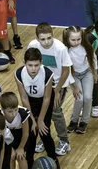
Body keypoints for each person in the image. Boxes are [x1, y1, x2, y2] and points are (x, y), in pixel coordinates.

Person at [27, 23, 73, 156]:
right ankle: (43, 137)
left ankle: (64, 141)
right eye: (43, 39)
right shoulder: (33, 46)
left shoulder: (60, 48)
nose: (46, 42)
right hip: (42, 84)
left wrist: (57, 90)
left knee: (55, 111)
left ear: (53, 36)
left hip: (59, 84)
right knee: (42, 112)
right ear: (37, 39)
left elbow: (66, 71)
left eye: (49, 38)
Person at [15, 47, 61, 169]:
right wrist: (31, 119)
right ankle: (29, 162)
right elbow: (24, 97)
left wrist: (40, 120)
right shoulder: (19, 74)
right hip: (29, 102)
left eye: (36, 65)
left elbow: (47, 98)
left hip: (44, 102)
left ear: (41, 63)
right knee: (31, 133)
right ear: (25, 63)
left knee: (44, 131)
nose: (33, 69)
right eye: (30, 65)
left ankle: (53, 159)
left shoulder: (47, 74)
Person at [64, 25, 97, 135]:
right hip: (74, 76)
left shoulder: (86, 47)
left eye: (79, 39)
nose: (76, 42)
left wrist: (95, 73)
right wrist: (74, 86)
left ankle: (84, 121)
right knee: (79, 98)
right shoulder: (65, 51)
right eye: (73, 40)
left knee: (87, 98)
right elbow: (66, 70)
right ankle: (74, 121)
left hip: (87, 73)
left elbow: (93, 58)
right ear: (67, 39)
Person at [0, 91, 31, 169]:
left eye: (15, 110)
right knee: (10, 158)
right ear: (3, 111)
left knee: (21, 157)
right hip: (8, 138)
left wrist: (21, 147)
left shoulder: (23, 113)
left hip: (22, 136)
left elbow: (26, 133)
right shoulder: (0, 116)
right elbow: (2, 136)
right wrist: (10, 149)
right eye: (10, 111)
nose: (13, 113)